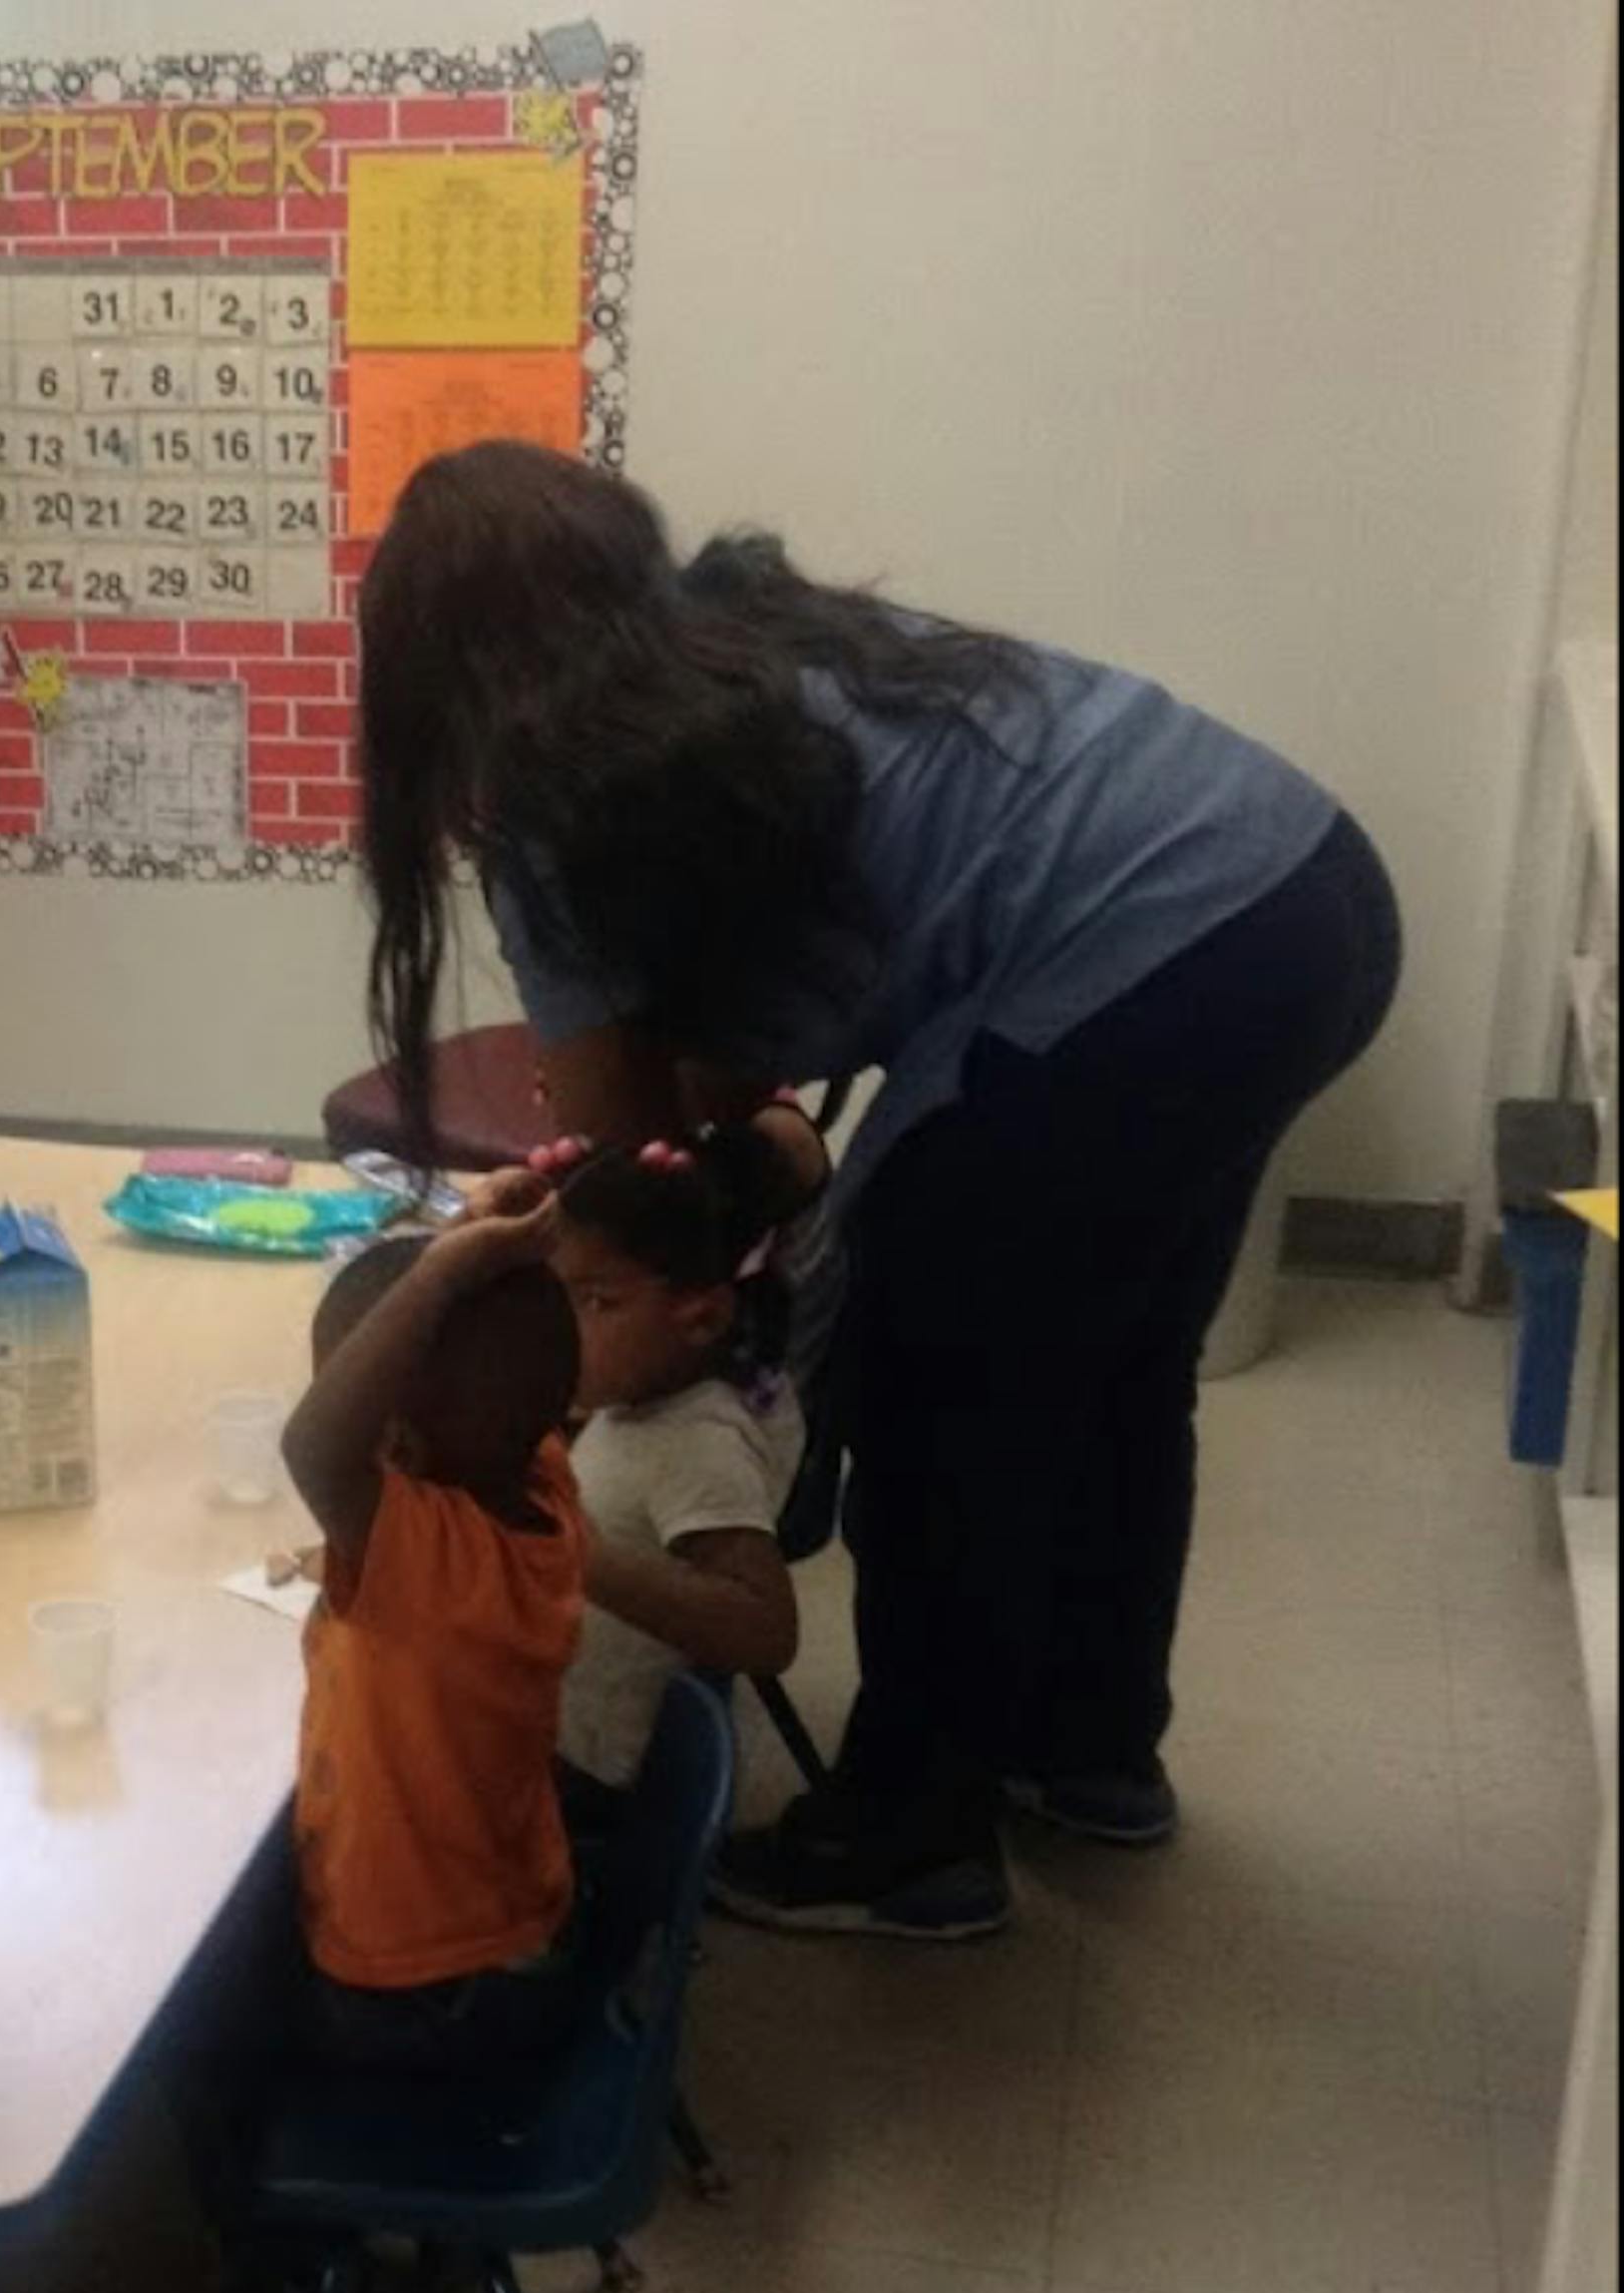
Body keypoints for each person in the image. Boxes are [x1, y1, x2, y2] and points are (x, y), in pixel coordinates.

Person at [355, 442, 1402, 1937]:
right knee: (1112, 1371)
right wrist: (734, 1135)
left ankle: (912, 1838)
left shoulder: (561, 810)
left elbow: (622, 1160)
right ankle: (1090, 1749)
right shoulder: (750, 650)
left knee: (939, 1393)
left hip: (1148, 955)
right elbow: (734, 1055)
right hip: (1304, 888)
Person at [281, 1201, 590, 2104]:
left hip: (416, 1981)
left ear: (393, 1446)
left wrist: (442, 1272)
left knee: (215, 2033)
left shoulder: (428, 1560)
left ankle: (289, 2210)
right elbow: (517, 1376)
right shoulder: (543, 1491)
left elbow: (313, 1446)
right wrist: (467, 1263)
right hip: (506, 1927)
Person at [550, 1122, 811, 1826]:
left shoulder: (700, 1444)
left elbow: (765, 1631)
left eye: (596, 1301)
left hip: (576, 1775)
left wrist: (575, 1554)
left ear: (701, 1317)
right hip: (549, 1721)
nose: (560, 1328)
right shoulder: (639, 1391)